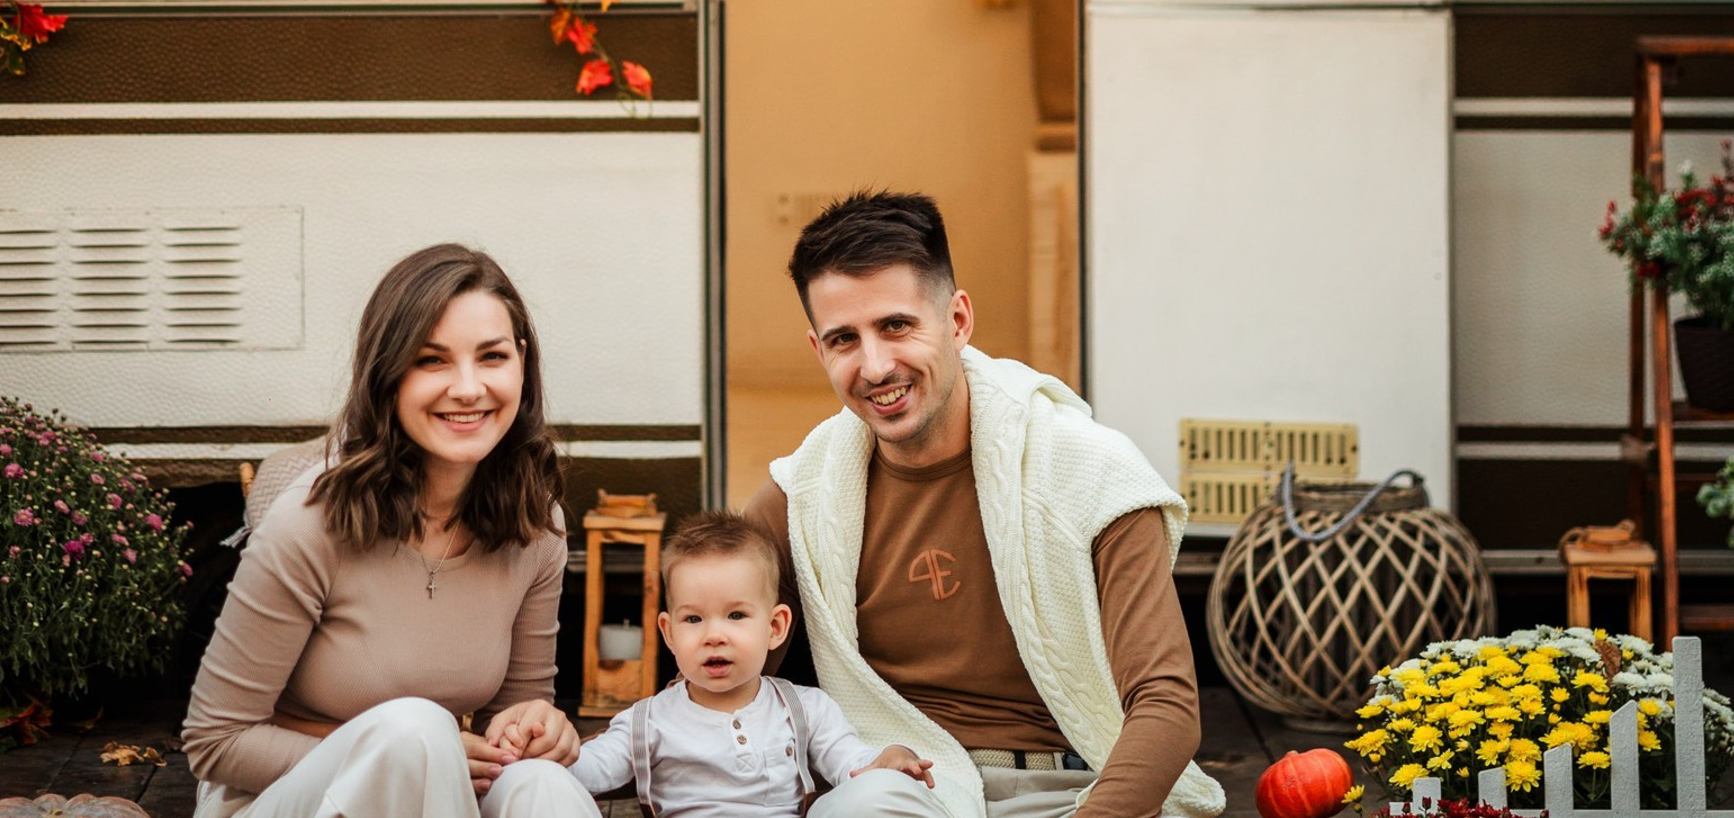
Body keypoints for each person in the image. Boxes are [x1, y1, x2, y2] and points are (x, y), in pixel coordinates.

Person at [743, 192, 1224, 818]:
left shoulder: (1093, 475)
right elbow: (711, 687)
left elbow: (1166, 705)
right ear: (819, 351)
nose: (876, 365)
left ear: (958, 319)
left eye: (896, 325)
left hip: (1073, 788)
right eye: (844, 339)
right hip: (903, 789)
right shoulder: (800, 499)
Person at [183, 244, 603, 818]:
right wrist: (401, 752)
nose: (467, 388)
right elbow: (216, 741)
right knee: (416, 729)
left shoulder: (536, 525)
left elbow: (514, 715)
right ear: (388, 374)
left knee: (543, 786)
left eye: (492, 357)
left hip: (433, 799)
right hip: (279, 800)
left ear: (522, 362)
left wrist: (539, 729)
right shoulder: (312, 521)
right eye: (432, 360)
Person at [571, 510, 933, 818]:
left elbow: (852, 764)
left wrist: (888, 760)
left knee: (881, 792)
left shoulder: (804, 708)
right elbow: (589, 769)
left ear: (775, 627)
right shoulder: (648, 720)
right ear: (668, 633)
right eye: (694, 620)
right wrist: (545, 753)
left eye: (736, 615)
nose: (714, 635)